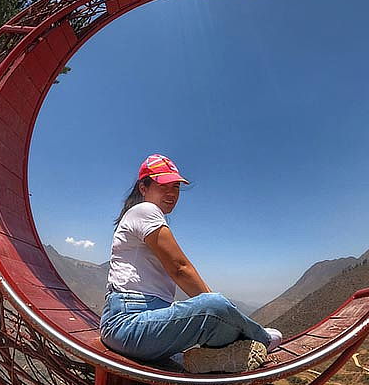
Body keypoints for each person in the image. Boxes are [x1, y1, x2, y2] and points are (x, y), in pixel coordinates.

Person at [100, 154, 282, 373]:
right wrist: (216, 309)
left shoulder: (141, 215)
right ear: (143, 187)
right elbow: (179, 268)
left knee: (214, 311)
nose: (172, 193)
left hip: (145, 324)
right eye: (163, 185)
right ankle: (259, 338)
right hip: (128, 323)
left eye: (176, 186)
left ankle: (212, 357)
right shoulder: (145, 210)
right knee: (214, 306)